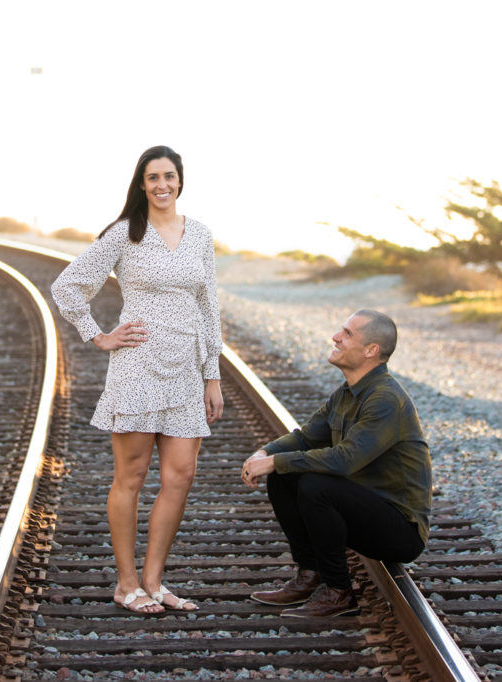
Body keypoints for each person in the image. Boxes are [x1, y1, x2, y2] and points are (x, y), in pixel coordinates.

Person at [51, 145, 224, 614]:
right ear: (141, 184)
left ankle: (154, 581)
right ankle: (126, 584)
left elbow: (208, 306)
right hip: (138, 366)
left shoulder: (201, 235)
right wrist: (98, 336)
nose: (162, 185)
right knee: (131, 475)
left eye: (169, 176)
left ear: (180, 180)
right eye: (153, 178)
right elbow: (67, 285)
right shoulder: (125, 234)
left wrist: (213, 375)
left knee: (180, 475)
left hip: (186, 370)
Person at [240, 309, 431, 618]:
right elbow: (305, 438)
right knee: (285, 476)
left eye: (347, 334)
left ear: (371, 351)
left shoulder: (385, 399)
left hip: (400, 529)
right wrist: (264, 454)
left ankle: (339, 594)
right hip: (367, 511)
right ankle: (310, 575)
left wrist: (277, 460)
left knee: (316, 485)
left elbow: (345, 460)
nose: (336, 337)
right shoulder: (346, 393)